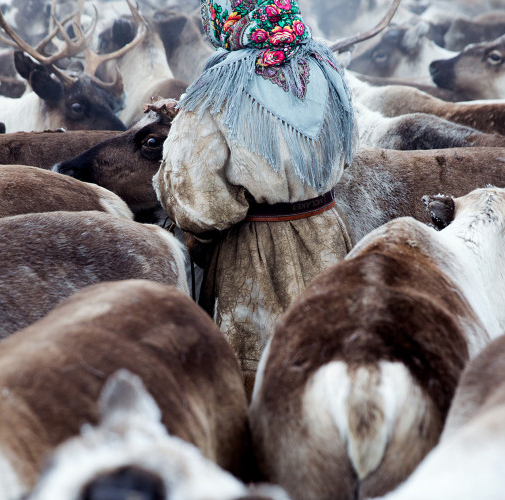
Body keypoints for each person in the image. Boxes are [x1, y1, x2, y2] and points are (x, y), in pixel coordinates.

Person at [153, 0, 357, 397]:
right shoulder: (325, 66)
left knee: (262, 384)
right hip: (329, 238)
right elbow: (345, 152)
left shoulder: (219, 86)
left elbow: (197, 197)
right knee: (337, 364)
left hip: (255, 259)